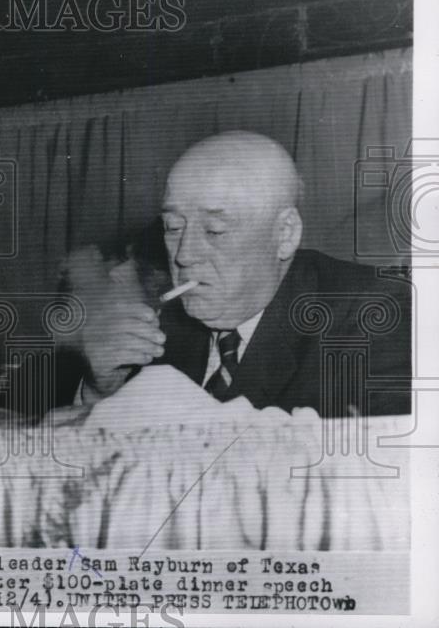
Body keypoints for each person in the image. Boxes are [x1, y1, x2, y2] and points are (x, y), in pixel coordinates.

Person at [74, 131, 411, 417]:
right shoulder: (159, 327)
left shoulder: (375, 314)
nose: (184, 255)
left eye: (215, 230)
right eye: (173, 227)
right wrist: (98, 390)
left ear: (284, 235)